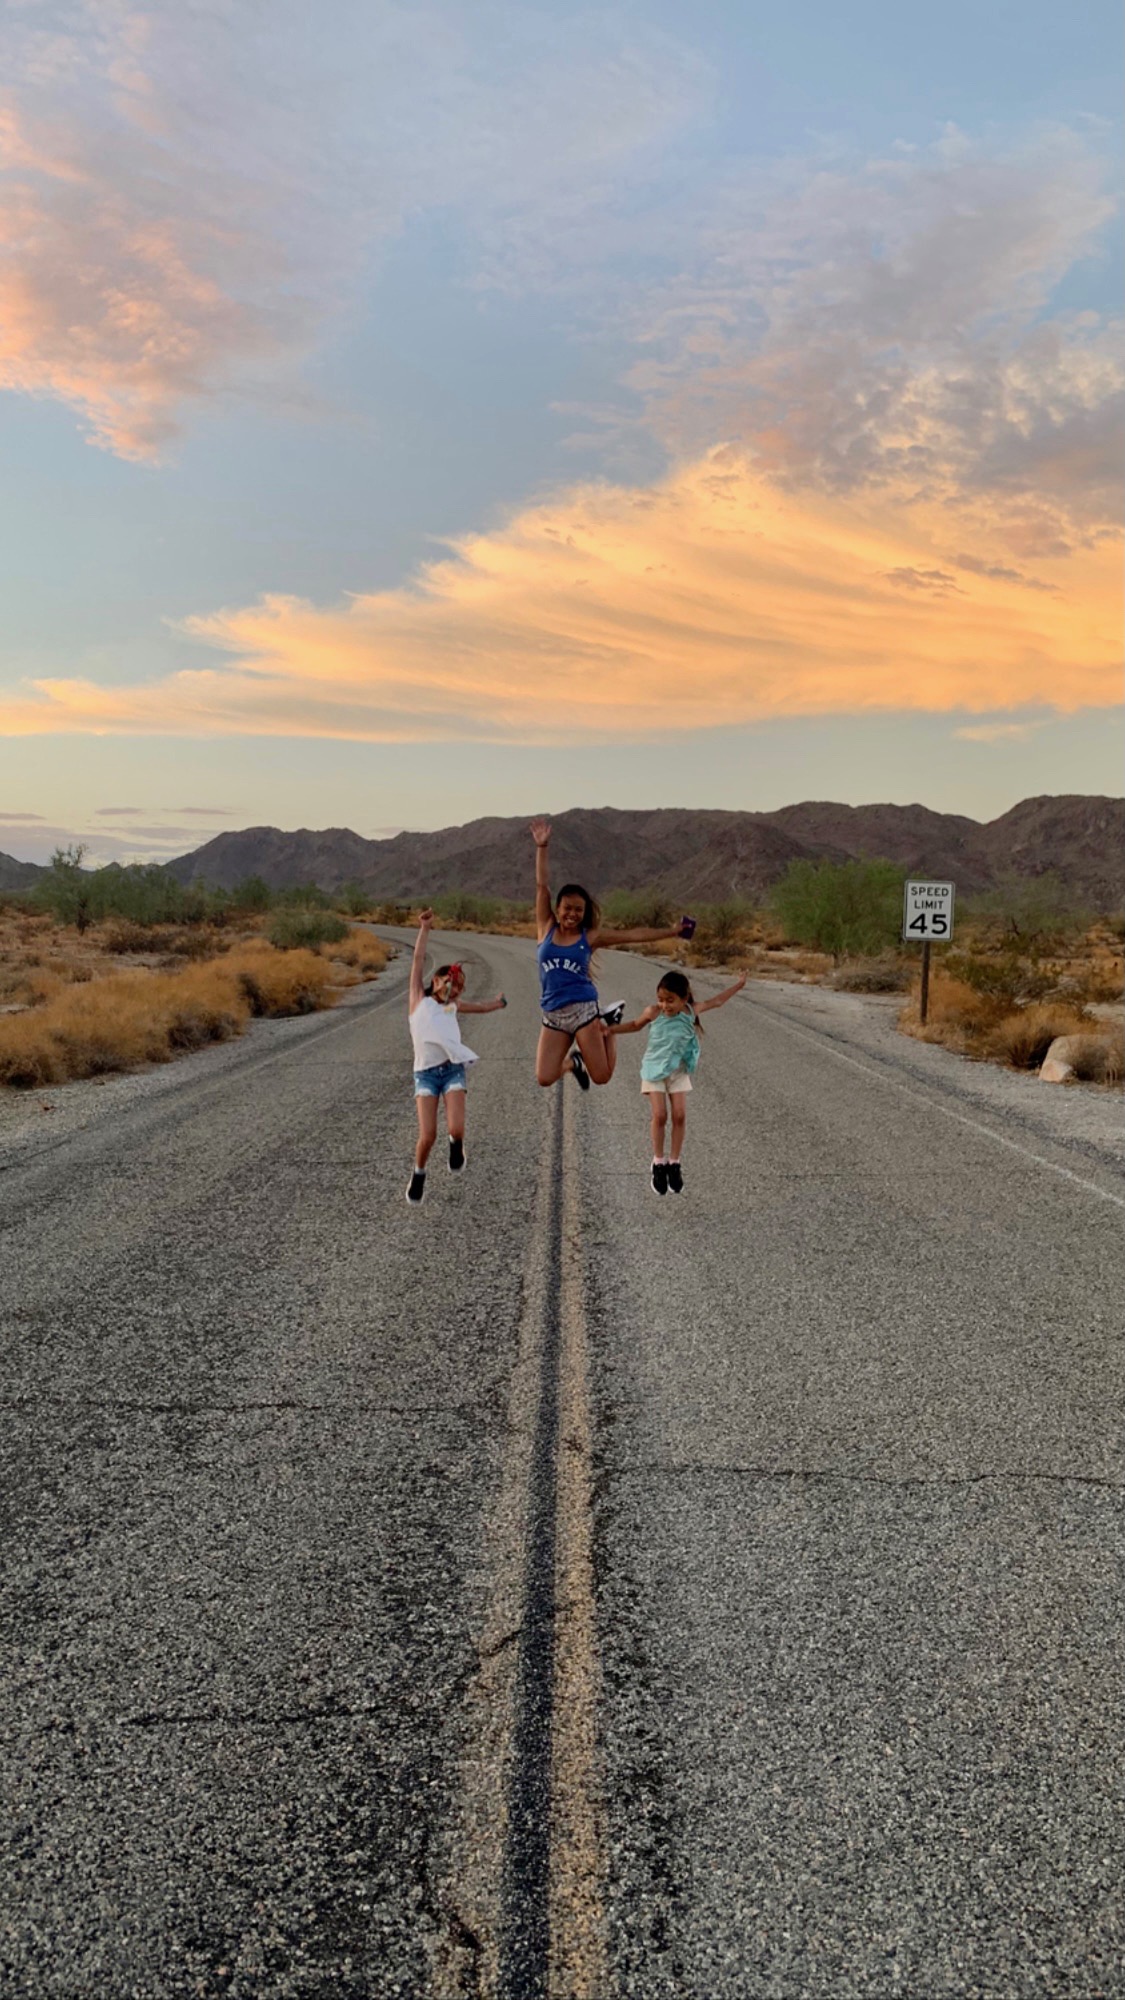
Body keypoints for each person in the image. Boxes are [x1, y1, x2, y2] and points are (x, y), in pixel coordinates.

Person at [530, 817, 696, 1091]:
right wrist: (542, 846)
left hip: (583, 1010)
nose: (572, 914)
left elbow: (632, 935)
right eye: (567, 908)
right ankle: (574, 1063)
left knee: (602, 1076)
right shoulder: (545, 928)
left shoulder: (589, 937)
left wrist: (672, 932)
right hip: (553, 1014)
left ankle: (608, 1023)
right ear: (557, 909)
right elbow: (541, 885)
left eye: (578, 910)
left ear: (584, 914)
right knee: (545, 1077)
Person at [610, 967, 746, 1194]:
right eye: (661, 1000)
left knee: (680, 1115)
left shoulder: (691, 1011)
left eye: (670, 1000)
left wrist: (739, 984)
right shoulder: (654, 1012)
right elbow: (634, 1025)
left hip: (678, 1071)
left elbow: (718, 1001)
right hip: (654, 1070)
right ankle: (658, 1162)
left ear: (684, 999)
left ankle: (674, 1163)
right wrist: (609, 1030)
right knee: (660, 1115)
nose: (665, 1005)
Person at [406, 909, 505, 1204]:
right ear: (436, 981)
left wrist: (498, 1004)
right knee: (427, 1135)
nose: (453, 987)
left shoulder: (453, 1007)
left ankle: (456, 1145)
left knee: (456, 1128)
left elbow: (480, 1007)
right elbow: (417, 961)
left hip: (452, 1070)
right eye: (448, 981)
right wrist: (425, 928)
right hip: (425, 1074)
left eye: (458, 986)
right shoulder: (417, 1001)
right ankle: (419, 1172)